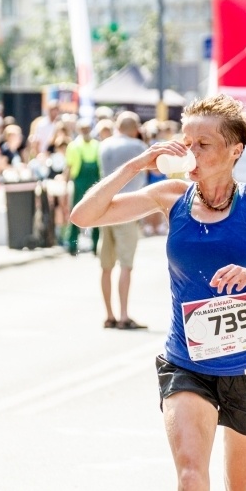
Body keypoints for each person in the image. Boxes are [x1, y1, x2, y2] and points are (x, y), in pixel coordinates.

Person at [69, 94, 246, 490]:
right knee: (191, 477)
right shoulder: (170, 195)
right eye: (186, 142)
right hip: (187, 363)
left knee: (240, 487)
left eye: (203, 144)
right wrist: (138, 164)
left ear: (234, 150)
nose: (190, 152)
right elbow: (83, 216)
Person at [97, 111, 149, 330]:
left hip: (104, 207)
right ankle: (124, 315)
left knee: (106, 266)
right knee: (126, 264)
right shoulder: (138, 148)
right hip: (127, 207)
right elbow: (143, 180)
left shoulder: (105, 145)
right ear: (136, 128)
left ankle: (109, 314)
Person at [66, 117, 100, 255]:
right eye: (83, 129)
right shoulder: (73, 146)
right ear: (79, 130)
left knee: (97, 214)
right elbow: (68, 167)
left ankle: (95, 245)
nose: (86, 131)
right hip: (79, 182)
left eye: (88, 128)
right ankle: (73, 245)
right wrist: (64, 183)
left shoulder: (97, 145)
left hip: (94, 183)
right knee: (75, 213)